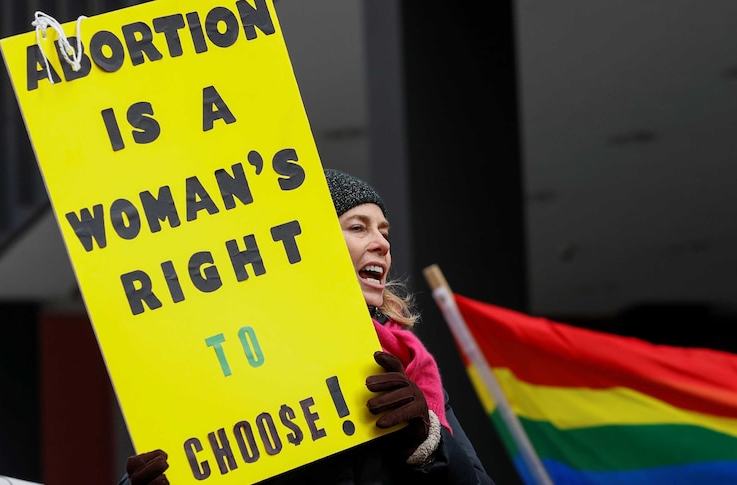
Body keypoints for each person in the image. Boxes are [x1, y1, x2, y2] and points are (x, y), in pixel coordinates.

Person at [122, 169, 494, 485]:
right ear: (305, 245)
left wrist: (427, 446)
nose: (381, 243)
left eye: (384, 231)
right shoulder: (230, 362)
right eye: (358, 227)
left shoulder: (403, 369)